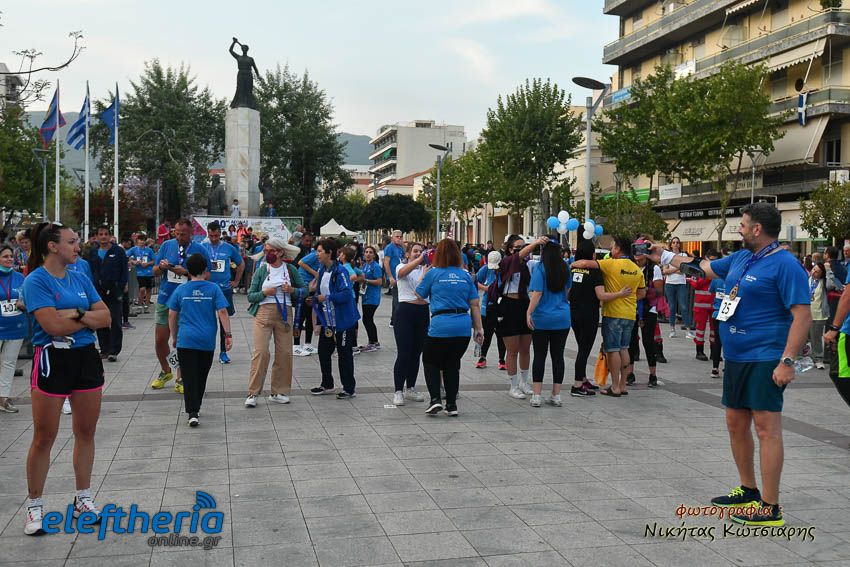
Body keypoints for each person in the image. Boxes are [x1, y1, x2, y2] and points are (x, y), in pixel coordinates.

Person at [651, 202, 811, 527]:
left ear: (757, 229)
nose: (739, 228)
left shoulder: (785, 264)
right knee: (735, 423)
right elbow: (702, 269)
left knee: (766, 428)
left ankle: (770, 507)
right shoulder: (741, 258)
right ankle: (749, 489)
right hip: (736, 357)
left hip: (765, 356)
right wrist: (664, 255)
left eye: (743, 224)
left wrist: (787, 361)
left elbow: (802, 315)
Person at [21, 222, 112, 536]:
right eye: (72, 242)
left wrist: (75, 313)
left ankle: (83, 499)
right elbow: (52, 326)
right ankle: (35, 505)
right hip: (52, 359)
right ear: (52, 246)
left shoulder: (80, 277)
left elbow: (106, 317)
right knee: (44, 436)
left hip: (85, 358)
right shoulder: (36, 281)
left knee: (86, 431)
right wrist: (84, 317)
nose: (78, 246)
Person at [415, 239, 484, 416]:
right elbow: (474, 304)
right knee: (452, 364)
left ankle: (435, 400)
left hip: (441, 325)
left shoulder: (433, 273)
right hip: (462, 326)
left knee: (430, 360)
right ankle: (452, 405)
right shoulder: (465, 275)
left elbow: (419, 294)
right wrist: (478, 329)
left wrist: (424, 274)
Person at [571, 237, 646, 397]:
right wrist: (627, 298)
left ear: (618, 249)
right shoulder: (637, 269)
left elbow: (584, 263)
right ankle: (623, 385)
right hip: (630, 313)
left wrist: (571, 265)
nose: (611, 250)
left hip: (613, 313)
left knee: (612, 350)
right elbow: (642, 293)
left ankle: (615, 386)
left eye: (612, 247)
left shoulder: (611, 264)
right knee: (624, 348)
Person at [167, 253, 232, 426]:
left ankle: (192, 412)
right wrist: (228, 335)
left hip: (185, 339)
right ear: (205, 270)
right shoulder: (213, 288)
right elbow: (223, 312)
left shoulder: (181, 290)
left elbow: (172, 314)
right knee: (201, 375)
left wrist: (174, 336)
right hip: (206, 340)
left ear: (188, 271)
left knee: (188, 376)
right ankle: (196, 407)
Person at [151, 219, 210, 393]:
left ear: (191, 233)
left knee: (182, 341)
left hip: (188, 300)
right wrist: (162, 267)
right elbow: (154, 271)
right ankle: (166, 370)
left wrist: (185, 272)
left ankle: (181, 377)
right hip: (166, 298)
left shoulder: (200, 249)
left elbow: (207, 275)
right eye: (176, 233)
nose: (179, 237)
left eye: (183, 234)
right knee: (160, 340)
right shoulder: (167, 246)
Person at [245, 238, 304, 407]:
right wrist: (264, 293)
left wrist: (292, 290)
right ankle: (253, 392)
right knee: (261, 352)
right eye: (265, 250)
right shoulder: (262, 270)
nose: (267, 253)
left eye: (271, 250)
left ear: (280, 252)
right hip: (263, 313)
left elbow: (304, 290)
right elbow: (251, 295)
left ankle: (279, 391)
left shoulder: (291, 269)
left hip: (285, 314)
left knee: (285, 353)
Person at [310, 238, 360, 398]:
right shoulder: (322, 270)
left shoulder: (340, 271)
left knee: (344, 354)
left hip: (343, 320)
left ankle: (348, 388)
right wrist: (314, 298)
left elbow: (346, 294)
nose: (317, 254)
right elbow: (320, 292)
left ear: (329, 252)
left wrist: (327, 298)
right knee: (323, 352)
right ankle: (327, 384)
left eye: (319, 251)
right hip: (327, 320)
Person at [526, 236, 571, 407]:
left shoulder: (540, 268)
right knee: (558, 356)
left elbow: (537, 293)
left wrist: (528, 312)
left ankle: (536, 395)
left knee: (540, 355)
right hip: (562, 317)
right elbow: (568, 290)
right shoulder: (565, 267)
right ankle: (556, 395)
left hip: (542, 318)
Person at [492, 235, 539, 399]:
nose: (521, 251)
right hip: (508, 305)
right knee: (512, 349)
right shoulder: (506, 262)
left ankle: (524, 382)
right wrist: (536, 242)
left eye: (523, 247)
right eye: (517, 248)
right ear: (510, 249)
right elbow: (518, 256)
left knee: (526, 347)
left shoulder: (528, 265)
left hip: (524, 304)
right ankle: (513, 385)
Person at [391, 242, 429, 406]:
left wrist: (426, 271)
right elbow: (402, 274)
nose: (418, 254)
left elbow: (423, 291)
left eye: (421, 252)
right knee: (404, 352)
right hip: (405, 311)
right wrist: (420, 260)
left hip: (422, 311)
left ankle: (410, 387)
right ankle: (398, 390)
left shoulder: (426, 270)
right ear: (407, 254)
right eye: (415, 251)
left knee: (416, 353)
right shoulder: (401, 267)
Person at [202, 221, 244, 364]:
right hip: (207, 289)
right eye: (211, 236)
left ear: (220, 233)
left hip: (224, 289)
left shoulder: (229, 248)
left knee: (223, 321)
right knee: (207, 321)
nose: (214, 238)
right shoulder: (203, 247)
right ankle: (205, 351)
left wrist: (236, 281)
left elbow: (241, 264)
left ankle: (223, 352)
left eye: (216, 235)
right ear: (208, 234)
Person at [87, 225, 128, 362]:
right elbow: (90, 271)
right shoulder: (93, 252)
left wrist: (121, 286)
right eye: (101, 234)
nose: (103, 236)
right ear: (97, 237)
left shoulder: (118, 251)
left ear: (110, 236)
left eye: (106, 234)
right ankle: (104, 349)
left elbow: (124, 270)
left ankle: (114, 350)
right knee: (100, 319)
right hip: (98, 290)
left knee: (115, 319)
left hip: (115, 289)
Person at [625, 239, 663, 388]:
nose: (637, 253)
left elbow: (659, 291)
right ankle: (630, 373)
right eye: (635, 249)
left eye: (640, 250)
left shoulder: (654, 268)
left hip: (649, 308)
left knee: (648, 341)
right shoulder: (630, 267)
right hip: (632, 307)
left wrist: (645, 290)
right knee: (631, 341)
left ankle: (653, 374)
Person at [568, 240, 603, 396]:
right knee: (584, 349)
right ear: (592, 254)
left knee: (582, 346)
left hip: (574, 313)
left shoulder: (572, 269)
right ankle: (577, 385)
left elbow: (567, 293)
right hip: (589, 313)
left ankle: (582, 379)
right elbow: (600, 294)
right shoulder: (596, 272)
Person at [0, 245, 26, 412]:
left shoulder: (19, 277)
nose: (9, 259)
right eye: (5, 256)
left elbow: (26, 297)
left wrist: (23, 303)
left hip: (16, 327)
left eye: (11, 256)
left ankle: (3, 398)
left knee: (9, 363)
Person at [475, 251, 506, 370]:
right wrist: (486, 288)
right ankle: (482, 357)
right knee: (487, 334)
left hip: (501, 307)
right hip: (487, 307)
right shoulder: (485, 269)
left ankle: (502, 359)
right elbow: (475, 281)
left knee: (501, 335)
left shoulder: (505, 270)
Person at [294, 239, 320, 357]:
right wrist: (315, 273)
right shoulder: (314, 255)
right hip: (304, 287)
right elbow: (301, 262)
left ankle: (307, 344)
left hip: (312, 289)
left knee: (310, 317)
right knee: (300, 317)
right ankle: (295, 345)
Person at [663, 237, 692, 338]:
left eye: (677, 242)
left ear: (680, 244)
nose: (675, 244)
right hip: (669, 284)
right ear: (671, 244)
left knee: (684, 306)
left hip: (681, 284)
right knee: (672, 307)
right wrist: (677, 268)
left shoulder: (684, 256)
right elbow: (665, 271)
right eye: (674, 242)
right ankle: (672, 329)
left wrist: (672, 270)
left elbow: (684, 270)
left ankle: (688, 330)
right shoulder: (667, 255)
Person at [359, 245, 383, 352]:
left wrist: (366, 281)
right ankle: (374, 341)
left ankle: (372, 343)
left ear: (374, 255)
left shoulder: (376, 266)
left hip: (373, 297)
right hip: (365, 296)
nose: (368, 254)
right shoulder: (364, 266)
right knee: (367, 319)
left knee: (367, 319)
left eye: (370, 252)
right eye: (366, 252)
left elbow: (379, 281)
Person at [808, 262, 828, 370]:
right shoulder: (808, 279)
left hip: (818, 314)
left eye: (817, 271)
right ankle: (802, 356)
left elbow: (834, 285)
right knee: (802, 336)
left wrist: (829, 271)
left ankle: (818, 359)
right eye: (813, 269)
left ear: (822, 274)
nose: (814, 272)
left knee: (816, 338)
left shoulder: (824, 282)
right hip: (806, 313)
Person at [128, 235, 155, 314]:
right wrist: (133, 261)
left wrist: (147, 263)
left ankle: (146, 307)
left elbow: (154, 260)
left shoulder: (149, 250)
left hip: (149, 273)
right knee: (142, 289)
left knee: (148, 289)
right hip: (139, 273)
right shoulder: (134, 249)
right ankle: (140, 306)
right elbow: (126, 256)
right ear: (137, 241)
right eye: (140, 240)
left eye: (143, 240)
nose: (142, 242)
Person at [383, 230, 404, 327]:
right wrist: (390, 277)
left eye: (400, 237)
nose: (399, 238)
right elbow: (386, 262)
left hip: (401, 275)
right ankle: (396, 320)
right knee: (397, 299)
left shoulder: (400, 247)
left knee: (398, 299)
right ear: (392, 238)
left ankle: (393, 319)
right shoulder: (389, 247)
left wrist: (403, 245)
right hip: (394, 276)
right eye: (397, 237)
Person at [708, 269, 726, 378]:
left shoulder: (716, 279)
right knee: (729, 341)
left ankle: (715, 368)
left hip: (717, 313)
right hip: (729, 314)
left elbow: (711, 290)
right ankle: (727, 365)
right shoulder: (734, 279)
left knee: (717, 341)